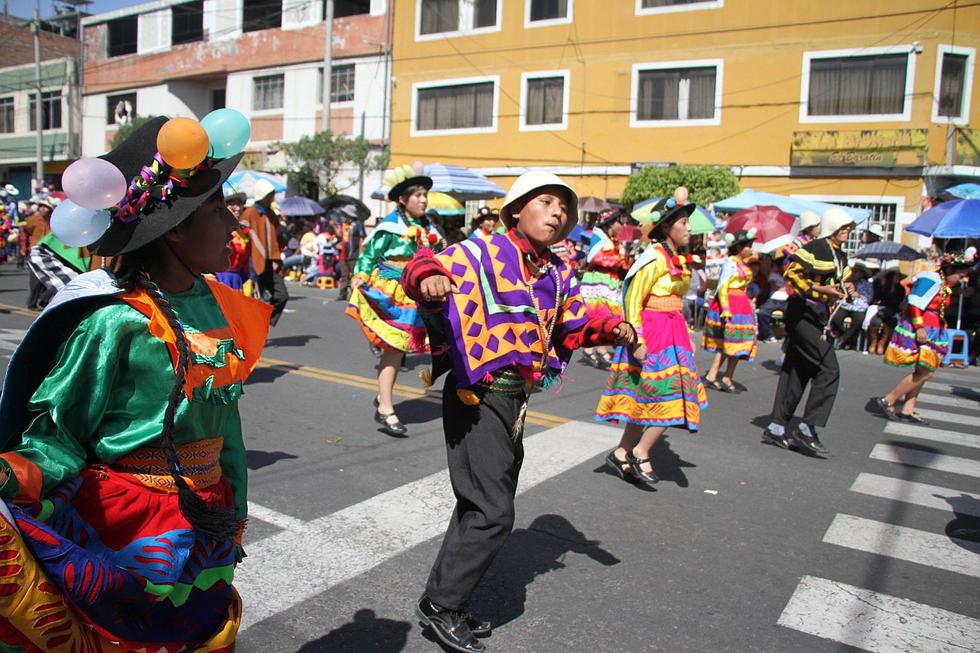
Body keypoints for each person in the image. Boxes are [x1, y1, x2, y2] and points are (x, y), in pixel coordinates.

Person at [0, 115, 270, 651]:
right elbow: (58, 437)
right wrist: (15, 475)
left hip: (207, 520)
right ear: (175, 227)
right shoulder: (115, 322)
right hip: (127, 527)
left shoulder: (223, 307)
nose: (234, 223)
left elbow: (227, 428)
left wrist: (234, 512)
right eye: (217, 207)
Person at [401, 171, 635, 653]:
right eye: (546, 202)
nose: (557, 213)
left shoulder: (555, 272)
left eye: (563, 208)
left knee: (481, 502)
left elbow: (574, 324)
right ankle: (443, 605)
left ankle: (443, 598)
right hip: (477, 393)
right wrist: (429, 278)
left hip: (515, 401)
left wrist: (613, 328)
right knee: (493, 510)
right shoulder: (480, 251)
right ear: (516, 210)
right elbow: (421, 263)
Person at [595, 197, 708, 487]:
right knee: (670, 394)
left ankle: (622, 451)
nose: (689, 228)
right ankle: (640, 451)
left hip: (674, 332)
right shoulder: (654, 257)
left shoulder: (675, 257)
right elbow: (632, 298)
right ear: (667, 227)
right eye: (683, 222)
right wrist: (637, 340)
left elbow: (676, 302)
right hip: (655, 333)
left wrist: (687, 335)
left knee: (650, 396)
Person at [346, 162, 443, 437]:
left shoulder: (429, 227)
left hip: (418, 293)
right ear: (402, 199)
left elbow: (440, 253)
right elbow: (369, 254)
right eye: (418, 195)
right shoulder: (390, 226)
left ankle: (383, 396)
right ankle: (386, 408)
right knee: (395, 348)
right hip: (393, 292)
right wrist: (360, 275)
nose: (423, 200)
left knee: (403, 349)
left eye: (425, 195)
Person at [761, 208, 855, 455]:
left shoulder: (838, 254)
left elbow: (837, 281)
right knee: (829, 369)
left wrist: (847, 290)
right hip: (803, 313)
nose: (847, 230)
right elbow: (792, 275)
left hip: (819, 315)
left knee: (797, 371)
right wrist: (820, 292)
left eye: (849, 227)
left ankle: (776, 427)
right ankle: (806, 426)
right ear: (831, 226)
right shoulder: (815, 248)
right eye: (843, 226)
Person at [877, 248, 976, 423]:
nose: (962, 280)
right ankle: (888, 399)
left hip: (933, 326)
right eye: (960, 276)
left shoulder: (942, 283)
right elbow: (915, 303)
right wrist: (919, 327)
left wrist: (959, 293)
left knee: (923, 370)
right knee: (926, 372)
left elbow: (935, 300)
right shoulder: (932, 279)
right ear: (950, 270)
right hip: (923, 325)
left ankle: (908, 409)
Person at [702, 229, 759, 392]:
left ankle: (724, 376)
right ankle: (717, 376)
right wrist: (726, 309)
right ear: (739, 248)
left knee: (738, 343)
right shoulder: (730, 263)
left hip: (742, 305)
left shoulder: (742, 264)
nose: (751, 249)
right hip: (731, 305)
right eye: (748, 246)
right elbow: (723, 287)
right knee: (729, 342)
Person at [580, 208, 626, 369]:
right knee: (599, 315)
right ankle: (594, 348)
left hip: (609, 280)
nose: (621, 225)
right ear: (610, 223)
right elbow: (594, 257)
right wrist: (616, 259)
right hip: (598, 280)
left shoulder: (613, 240)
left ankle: (597, 348)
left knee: (609, 315)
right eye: (619, 222)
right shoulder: (599, 236)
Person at [241, 179, 288, 324]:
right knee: (254, 297)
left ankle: (262, 320)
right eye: (270, 194)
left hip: (270, 262)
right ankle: (253, 325)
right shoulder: (250, 212)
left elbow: (277, 236)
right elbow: (241, 234)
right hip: (254, 262)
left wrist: (277, 256)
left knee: (282, 295)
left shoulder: (271, 214)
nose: (272, 197)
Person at [829, 260, 873, 350]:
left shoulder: (867, 284)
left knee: (858, 321)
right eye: (853, 271)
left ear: (861, 274)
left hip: (859, 307)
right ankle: (847, 337)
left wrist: (859, 295)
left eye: (856, 272)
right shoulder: (846, 281)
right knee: (836, 317)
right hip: (845, 305)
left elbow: (869, 298)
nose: (853, 273)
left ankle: (842, 339)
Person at [868, 265, 905, 355]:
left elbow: (899, 302)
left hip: (894, 310)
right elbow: (876, 298)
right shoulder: (883, 286)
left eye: (898, 276)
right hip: (882, 308)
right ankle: (874, 342)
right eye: (895, 276)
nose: (897, 278)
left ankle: (882, 343)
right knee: (874, 322)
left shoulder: (901, 289)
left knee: (890, 322)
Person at [336, 210, 366, 301]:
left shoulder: (358, 224)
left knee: (354, 275)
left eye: (345, 215)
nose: (344, 217)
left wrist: (361, 252)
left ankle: (354, 295)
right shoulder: (343, 225)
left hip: (354, 253)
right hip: (343, 253)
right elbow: (341, 237)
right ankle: (342, 293)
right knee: (344, 275)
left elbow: (362, 239)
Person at [757, 261, 789, 342]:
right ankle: (769, 335)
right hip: (773, 301)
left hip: (786, 301)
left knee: (794, 314)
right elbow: (772, 281)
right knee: (762, 313)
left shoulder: (790, 275)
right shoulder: (774, 275)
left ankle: (788, 335)